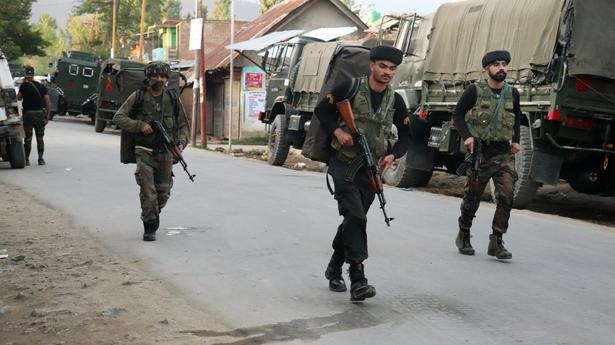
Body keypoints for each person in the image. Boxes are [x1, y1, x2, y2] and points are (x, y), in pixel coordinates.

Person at [314, 46, 410, 301]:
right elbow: (322, 110)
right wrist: (337, 131)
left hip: (370, 169)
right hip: (344, 164)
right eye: (382, 66)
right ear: (372, 65)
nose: (387, 72)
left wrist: (393, 155)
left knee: (353, 221)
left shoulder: (396, 100)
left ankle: (334, 267)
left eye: (392, 69)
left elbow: (408, 136)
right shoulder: (350, 88)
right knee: (356, 216)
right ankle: (358, 278)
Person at [453, 50, 523, 260]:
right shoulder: (474, 90)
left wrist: (516, 140)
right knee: (472, 197)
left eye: (504, 64)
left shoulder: (513, 93)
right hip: (480, 153)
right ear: (486, 69)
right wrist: (467, 137)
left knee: (506, 196)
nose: (501, 68)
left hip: (503, 153)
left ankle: (497, 241)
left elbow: (517, 116)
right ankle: (464, 234)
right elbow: (457, 115)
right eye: (496, 64)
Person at [113, 62, 190, 242]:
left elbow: (183, 125)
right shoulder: (138, 96)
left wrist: (181, 144)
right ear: (148, 77)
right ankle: (149, 225)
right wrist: (140, 126)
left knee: (163, 192)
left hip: (166, 151)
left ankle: (152, 213)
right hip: (144, 150)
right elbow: (119, 117)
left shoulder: (172, 99)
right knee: (148, 189)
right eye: (155, 76)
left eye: (163, 77)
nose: (160, 80)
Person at [17, 66, 51, 166]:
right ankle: (40, 159)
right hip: (40, 114)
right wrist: (47, 115)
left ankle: (26, 159)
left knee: (28, 138)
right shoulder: (42, 87)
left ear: (25, 74)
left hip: (28, 114)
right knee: (40, 138)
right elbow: (48, 102)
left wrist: (23, 85)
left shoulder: (23, 86)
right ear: (33, 74)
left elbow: (18, 98)